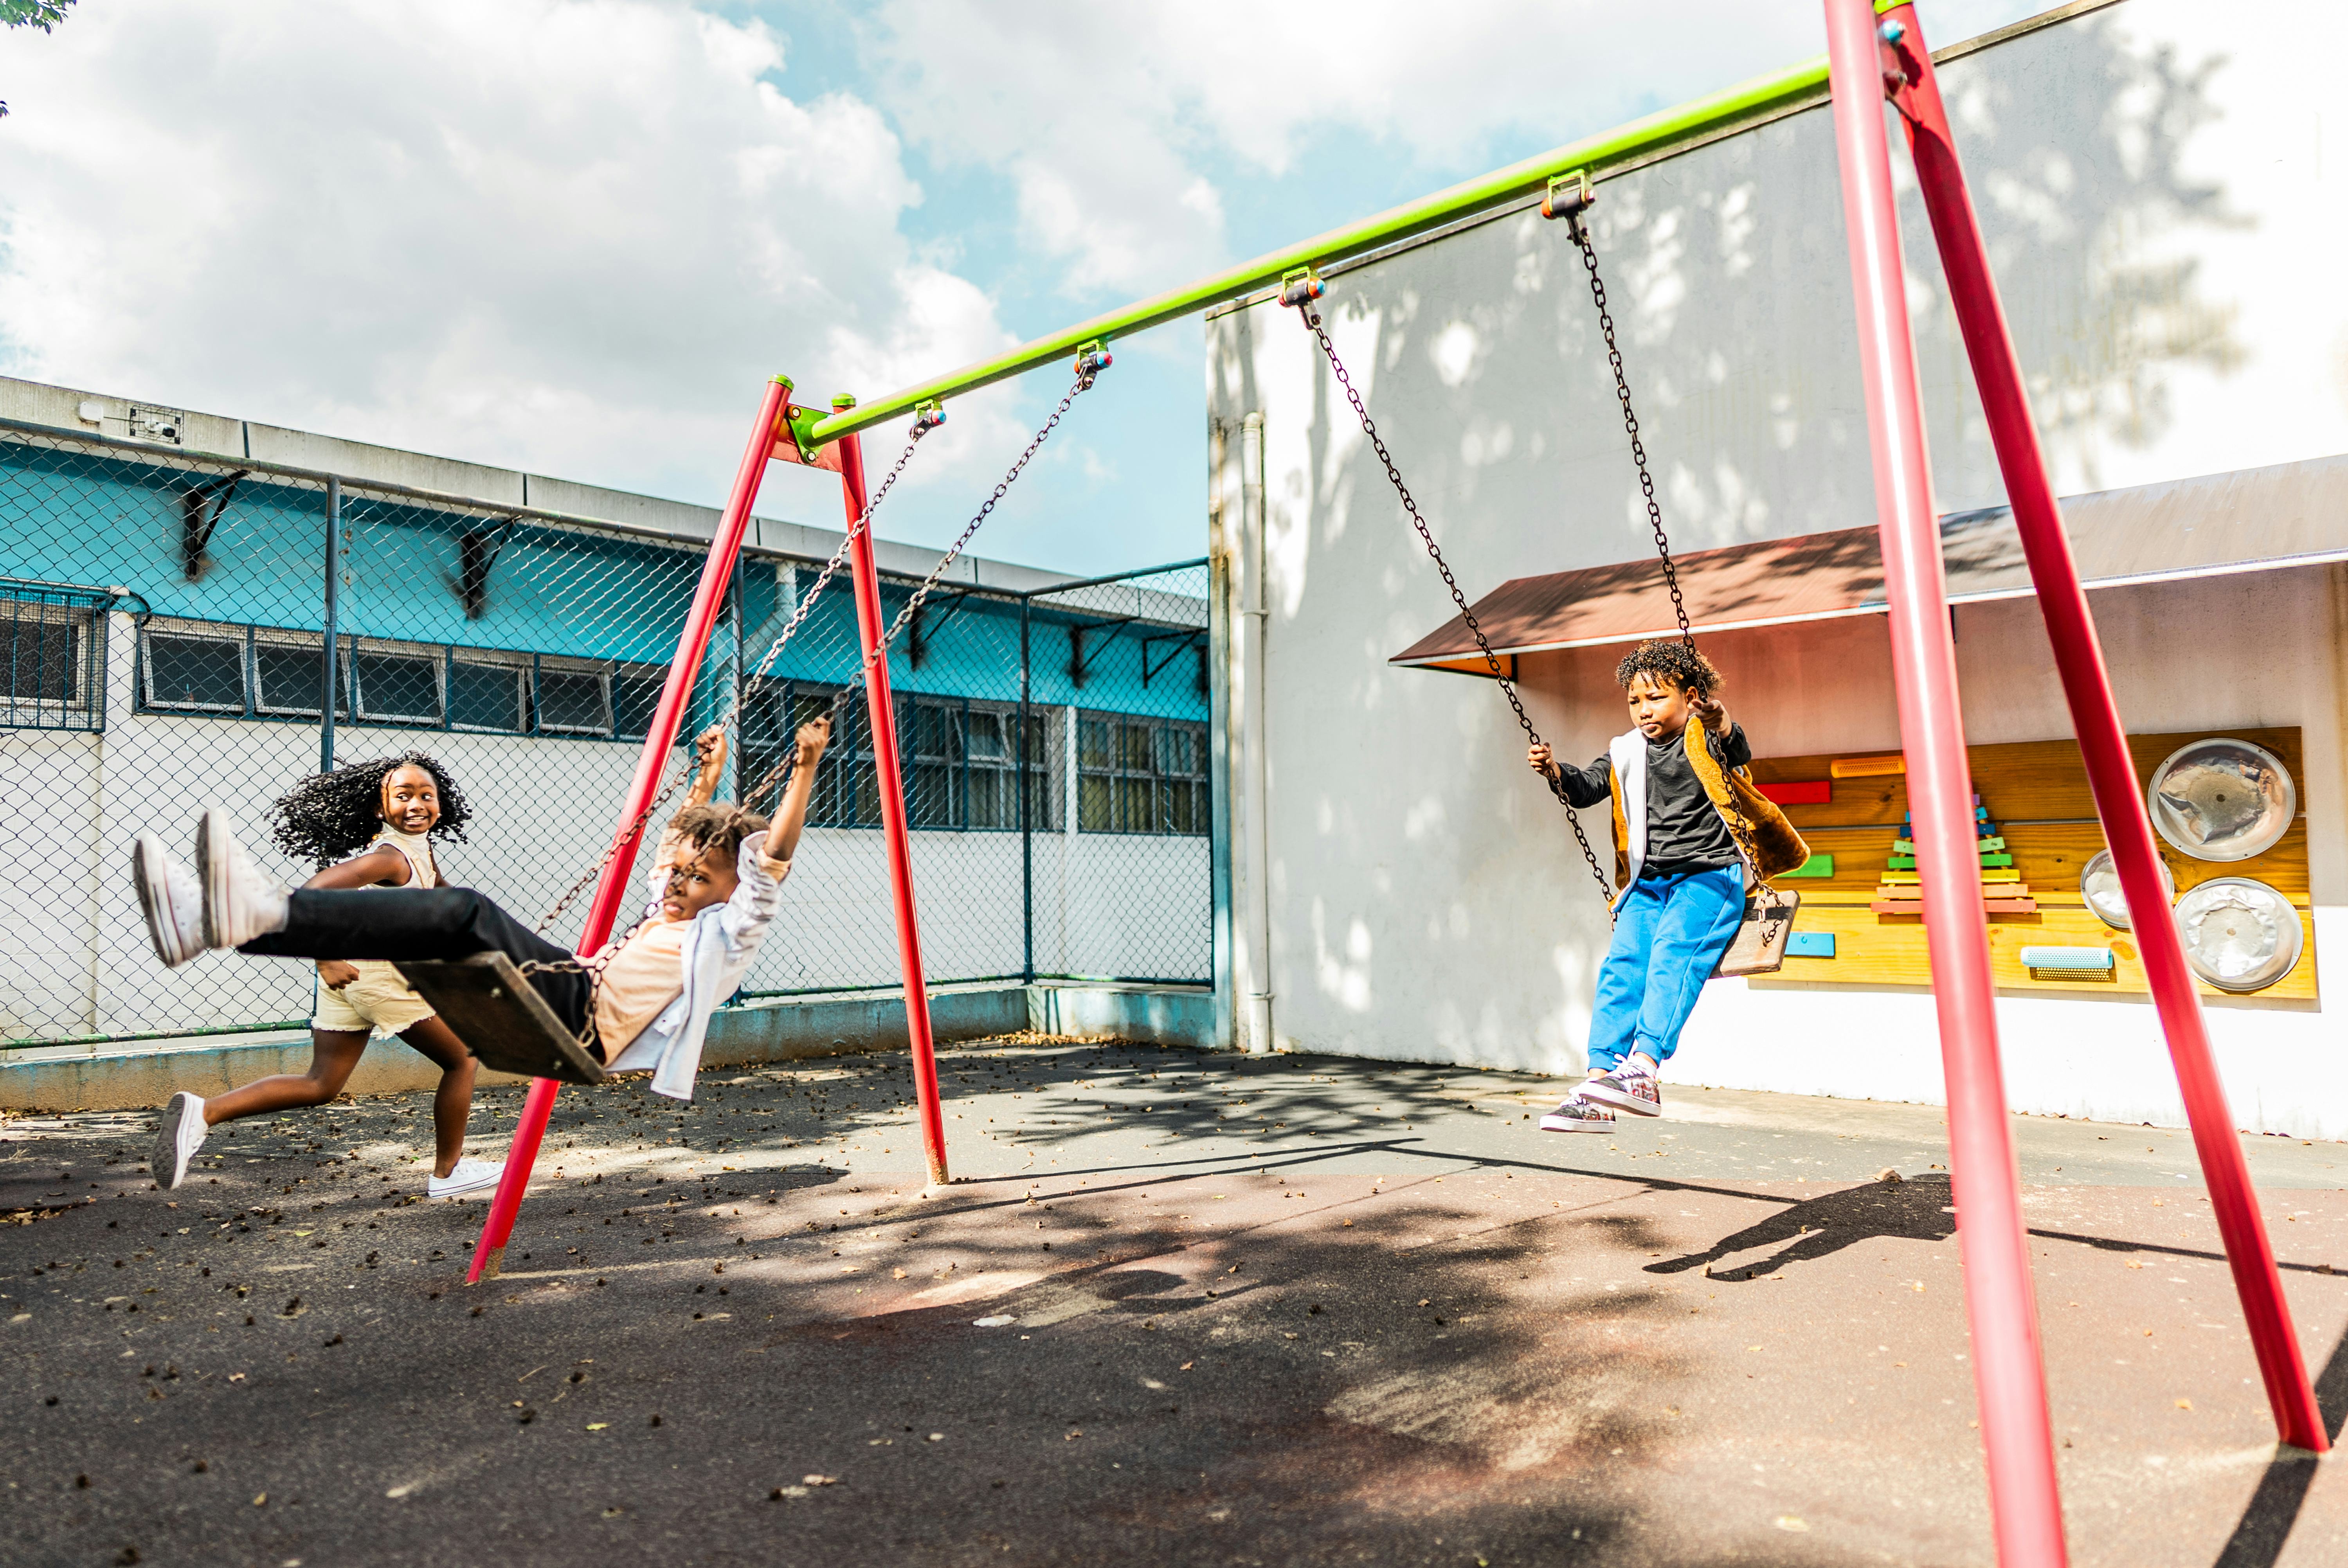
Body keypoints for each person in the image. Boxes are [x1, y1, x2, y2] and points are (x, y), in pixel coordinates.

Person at [133, 719, 829, 1189]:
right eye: (679, 872)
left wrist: (804, 766)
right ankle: (212, 919)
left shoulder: (738, 922)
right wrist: (708, 774)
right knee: (445, 922)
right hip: (570, 991)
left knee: (461, 912)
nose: (678, 883)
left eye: (698, 878)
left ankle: (236, 916)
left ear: (734, 890)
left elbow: (771, 858)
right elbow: (676, 841)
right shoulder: (669, 901)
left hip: (581, 1018)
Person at [142, 753, 503, 1197]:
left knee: (321, 1083)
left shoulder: (416, 851)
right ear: (379, 807)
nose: (417, 805)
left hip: (352, 980)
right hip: (376, 976)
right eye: (403, 796)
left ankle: (204, 1113)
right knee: (461, 1058)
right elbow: (313, 893)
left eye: (427, 795)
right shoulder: (389, 858)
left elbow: (439, 889)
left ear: (441, 806)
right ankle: (448, 1174)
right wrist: (324, 957)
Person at [1525, 640, 1806, 1133]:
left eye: (1655, 698)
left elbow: (1737, 747)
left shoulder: (1704, 736)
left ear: (1690, 696)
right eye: (1635, 701)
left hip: (1708, 877)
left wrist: (1719, 720)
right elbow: (1589, 786)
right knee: (1622, 969)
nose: (1644, 710)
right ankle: (1599, 1087)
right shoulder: (1626, 752)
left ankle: (1645, 1069)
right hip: (1649, 883)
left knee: (1673, 958)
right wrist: (1555, 772)